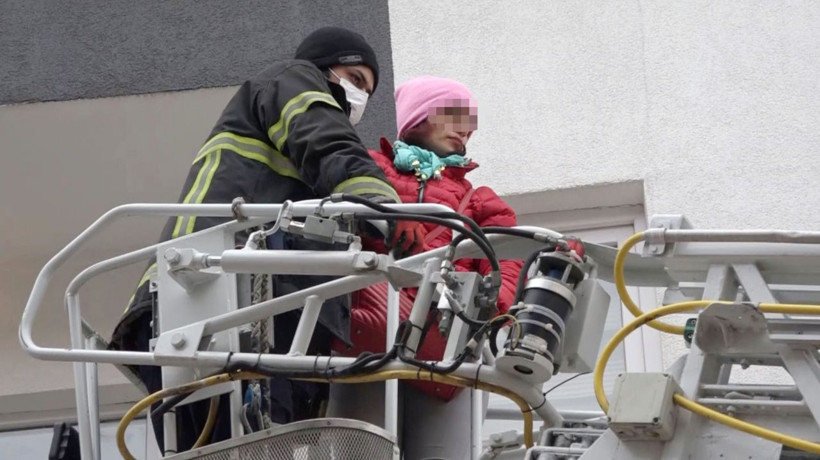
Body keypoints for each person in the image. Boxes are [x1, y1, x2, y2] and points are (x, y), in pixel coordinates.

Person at [109, 26, 424, 451]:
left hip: (241, 314)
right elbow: (327, 141)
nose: (359, 97)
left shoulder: (311, 169)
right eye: (354, 79)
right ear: (322, 69)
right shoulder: (291, 81)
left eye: (367, 89)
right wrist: (381, 203)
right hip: (210, 296)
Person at [329, 76, 524, 459]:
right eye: (453, 116)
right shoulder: (369, 170)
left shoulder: (481, 202)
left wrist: (493, 309)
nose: (464, 132)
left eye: (469, 126)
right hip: (371, 330)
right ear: (418, 117)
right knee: (362, 450)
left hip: (443, 347)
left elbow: (507, 262)